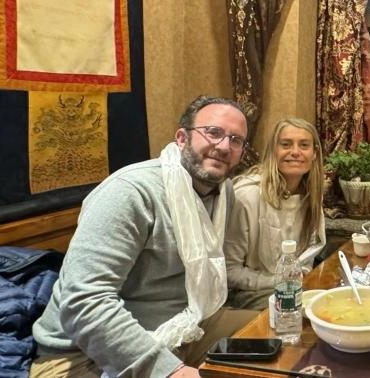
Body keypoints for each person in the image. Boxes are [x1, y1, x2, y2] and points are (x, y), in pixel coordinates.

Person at [30, 96, 259, 377]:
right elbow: (84, 302)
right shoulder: (130, 192)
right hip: (84, 354)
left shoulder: (225, 194)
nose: (223, 146)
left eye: (236, 140)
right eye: (213, 132)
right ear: (182, 138)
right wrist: (170, 370)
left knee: (281, 334)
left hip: (185, 326)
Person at [224, 118, 327, 310]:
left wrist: (300, 274)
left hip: (294, 285)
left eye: (304, 145)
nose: (295, 152)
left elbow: (309, 253)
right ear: (273, 150)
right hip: (250, 293)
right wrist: (279, 280)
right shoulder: (247, 196)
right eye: (286, 144)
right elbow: (229, 271)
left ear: (314, 154)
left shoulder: (311, 195)